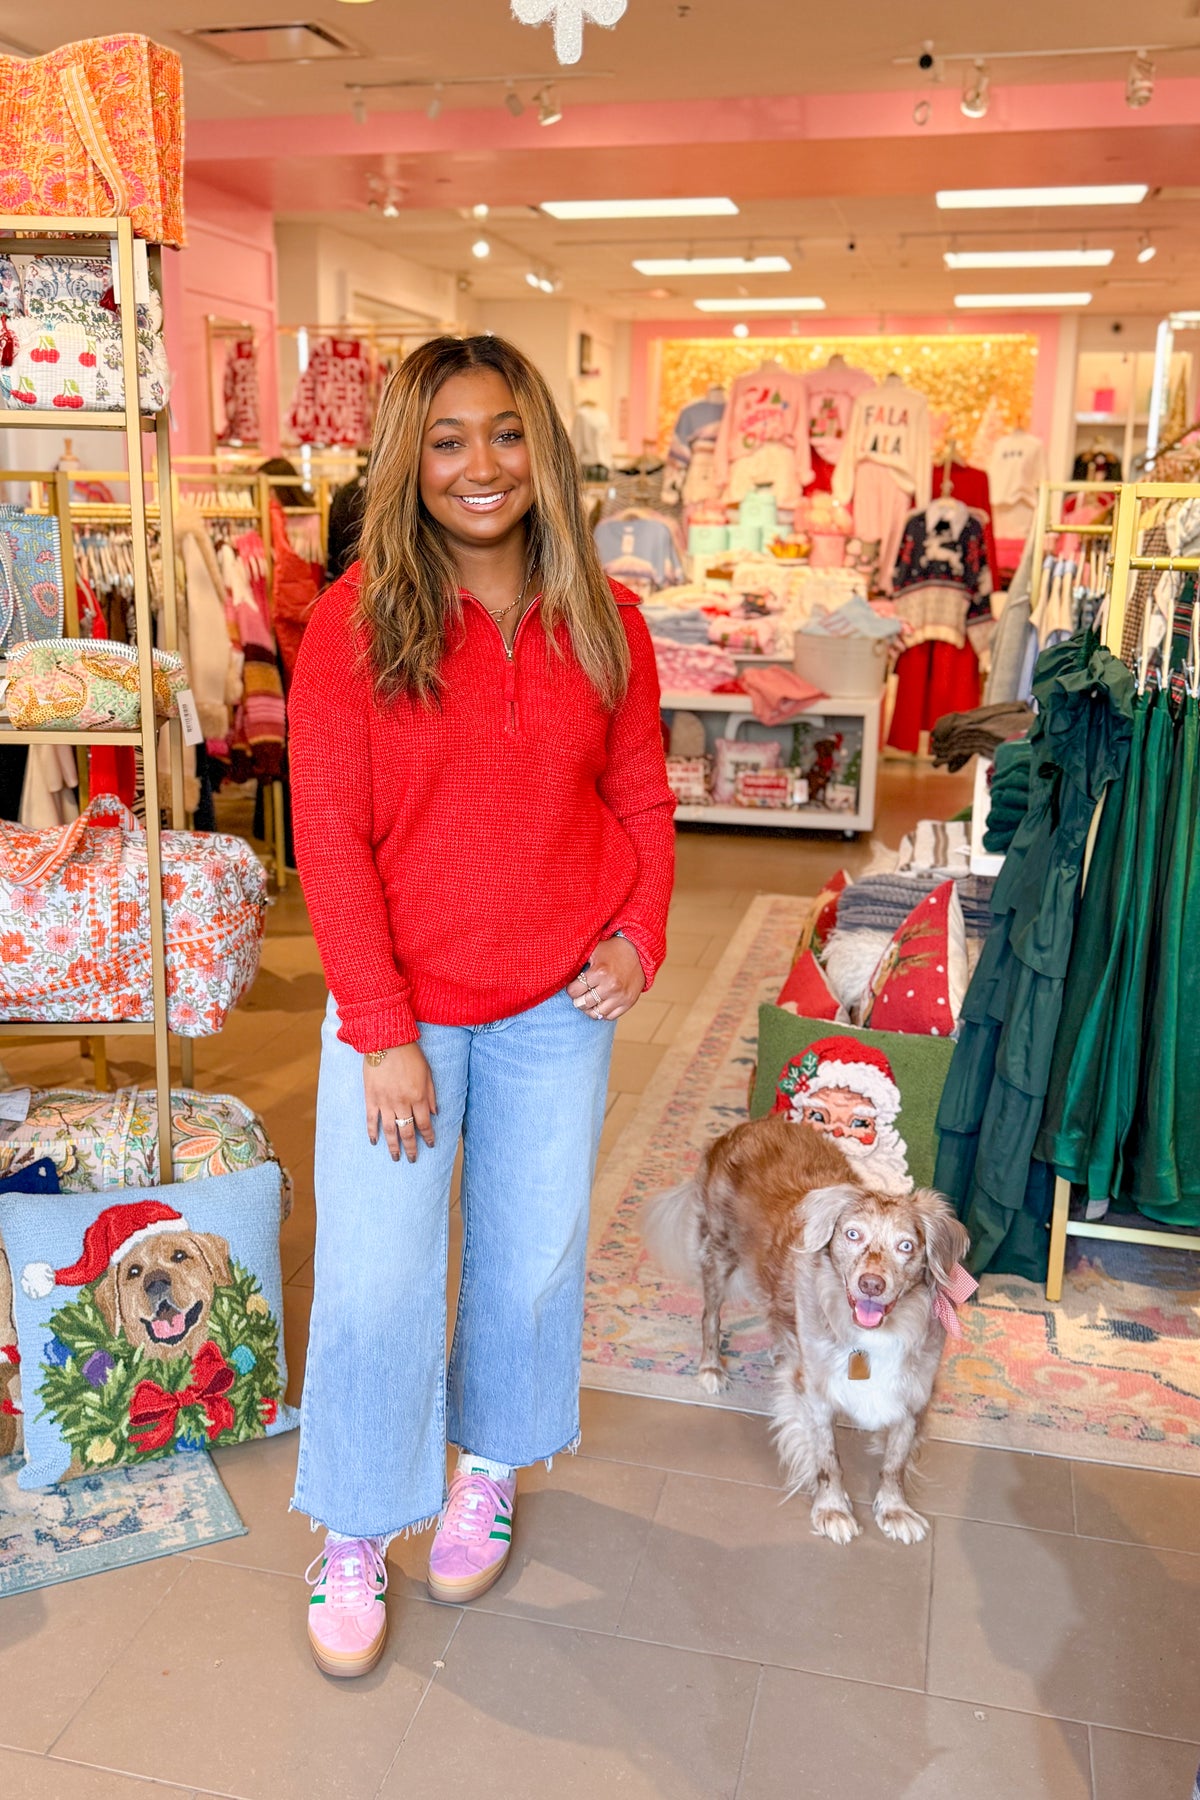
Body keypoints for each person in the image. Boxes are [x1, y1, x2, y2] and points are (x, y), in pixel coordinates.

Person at [287, 333, 675, 1678]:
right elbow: (327, 844)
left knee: (528, 1262)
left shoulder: (605, 621)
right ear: (407, 461)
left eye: (504, 433)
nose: (480, 466)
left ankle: (490, 1466)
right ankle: (351, 1526)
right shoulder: (351, 626)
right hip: (400, 1013)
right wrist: (382, 1032)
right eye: (447, 440)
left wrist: (641, 933)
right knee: (378, 1279)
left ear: (543, 449)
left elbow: (638, 792)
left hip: (556, 1005)